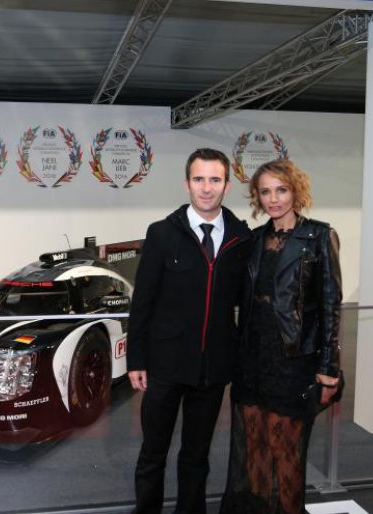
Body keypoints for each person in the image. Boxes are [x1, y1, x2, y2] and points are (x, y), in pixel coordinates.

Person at [127, 148, 252, 514]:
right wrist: (137, 359)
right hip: (165, 366)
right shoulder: (162, 233)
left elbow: (247, 304)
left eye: (215, 179)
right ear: (187, 184)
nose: (206, 188)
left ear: (227, 185)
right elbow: (143, 302)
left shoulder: (241, 238)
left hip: (212, 370)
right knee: (153, 454)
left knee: (197, 456)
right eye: (199, 179)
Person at [220, 158, 342, 514]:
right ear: (257, 197)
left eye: (281, 190)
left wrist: (329, 367)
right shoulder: (254, 239)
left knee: (286, 447)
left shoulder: (319, 236)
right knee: (253, 446)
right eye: (265, 192)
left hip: (293, 359)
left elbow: (331, 305)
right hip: (252, 356)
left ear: (296, 192)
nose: (273, 199)